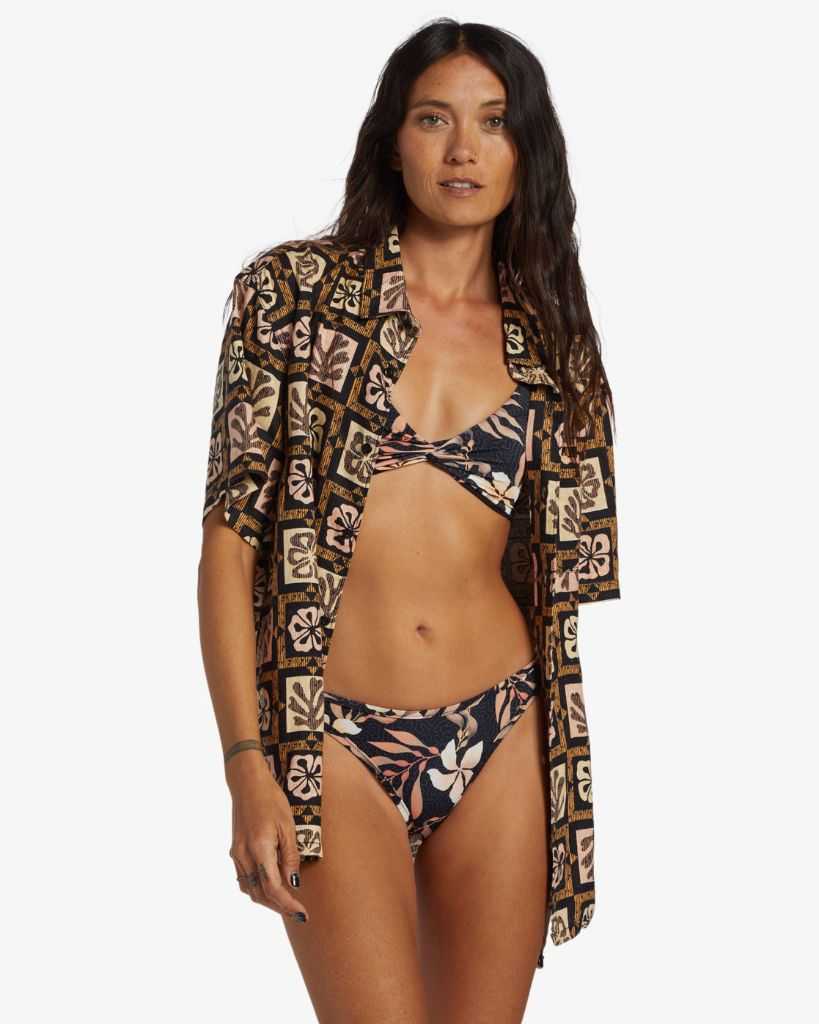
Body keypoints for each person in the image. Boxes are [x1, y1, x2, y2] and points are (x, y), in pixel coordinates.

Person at [198, 18, 620, 1023]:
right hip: (333, 733)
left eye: (493, 122)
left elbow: (562, 575)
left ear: (527, 149)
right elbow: (227, 547)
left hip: (503, 728)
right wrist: (247, 767)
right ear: (394, 139)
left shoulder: (553, 339)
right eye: (434, 119)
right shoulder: (290, 297)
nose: (463, 149)